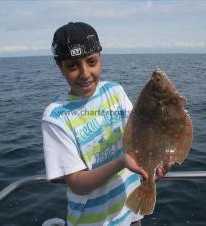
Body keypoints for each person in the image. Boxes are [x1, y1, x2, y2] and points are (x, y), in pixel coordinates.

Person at [42, 22, 172, 226]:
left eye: (91, 61)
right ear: (60, 67)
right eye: (73, 65)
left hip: (130, 211)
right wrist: (121, 162)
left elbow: (141, 133)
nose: (85, 73)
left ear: (100, 57)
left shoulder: (115, 92)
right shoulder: (56, 117)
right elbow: (77, 184)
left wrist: (159, 158)